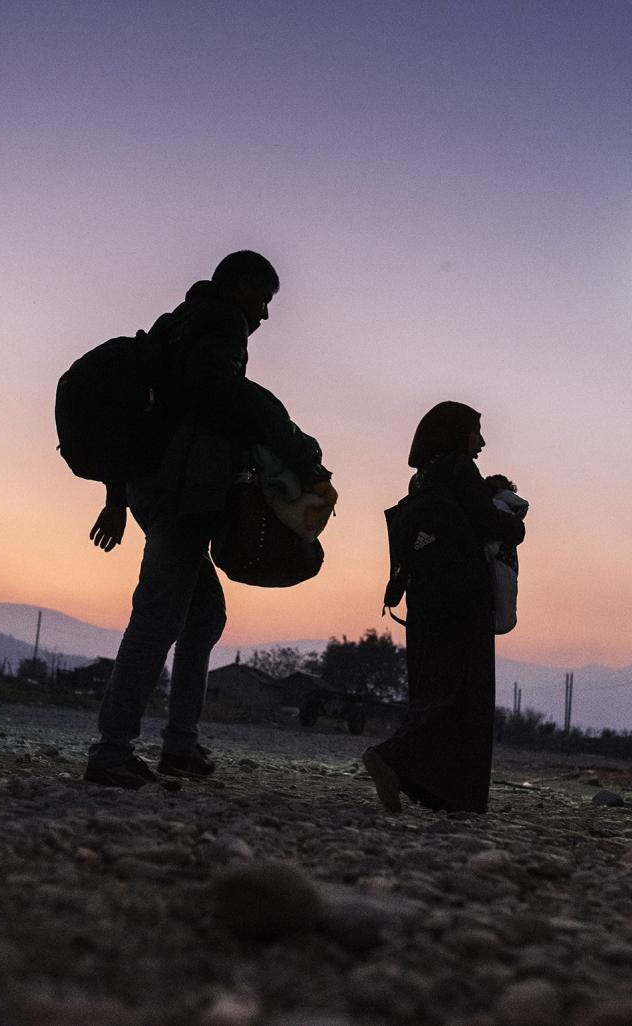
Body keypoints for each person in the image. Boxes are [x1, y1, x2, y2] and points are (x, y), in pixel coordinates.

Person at [83, 251, 330, 789]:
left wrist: (117, 497)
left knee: (201, 618)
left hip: (154, 489)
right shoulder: (220, 324)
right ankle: (112, 752)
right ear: (240, 287)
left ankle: (178, 747)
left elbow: (152, 417)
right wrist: (296, 450)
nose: (264, 315)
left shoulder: (176, 328)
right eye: (263, 299)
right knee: (157, 618)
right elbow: (220, 400)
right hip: (181, 496)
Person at [362, 402, 525, 813]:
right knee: (463, 693)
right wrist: (515, 523)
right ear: (456, 433)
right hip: (462, 597)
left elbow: (463, 510)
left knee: (436, 686)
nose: (482, 442)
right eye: (476, 432)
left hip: (427, 597)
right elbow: (490, 522)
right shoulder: (457, 468)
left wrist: (484, 489)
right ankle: (395, 759)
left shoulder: (424, 478)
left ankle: (432, 787)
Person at [484, 474, 528, 634]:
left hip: (498, 563)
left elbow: (493, 542)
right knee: (506, 605)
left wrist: (482, 556)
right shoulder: (510, 511)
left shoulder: (497, 506)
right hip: (507, 564)